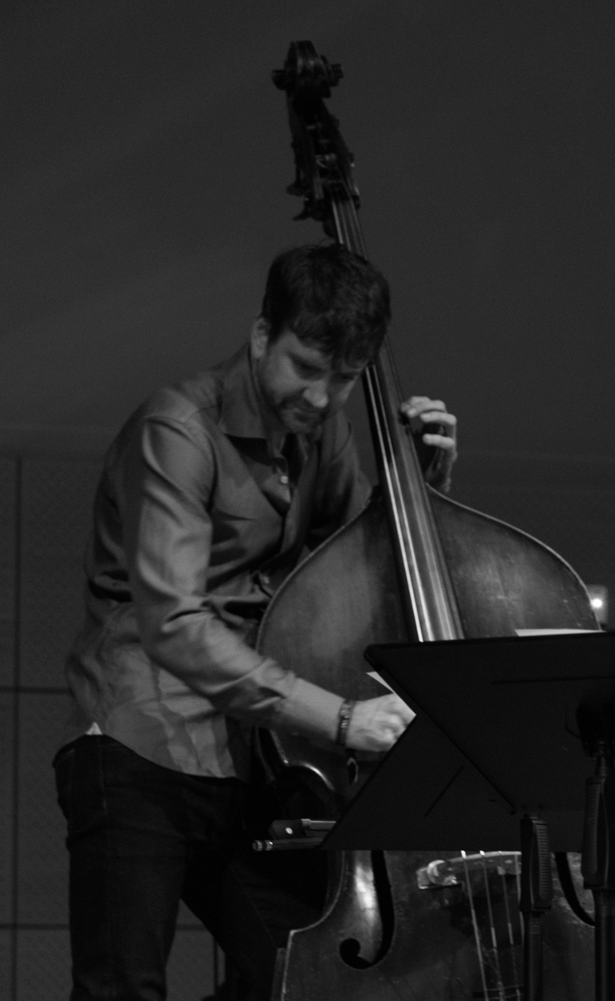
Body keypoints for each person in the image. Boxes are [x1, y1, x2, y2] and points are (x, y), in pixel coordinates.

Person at [54, 243, 457, 1000]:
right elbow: (174, 623)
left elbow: (357, 563)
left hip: (250, 754)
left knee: (301, 974)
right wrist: (341, 718)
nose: (322, 395)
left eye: (344, 377)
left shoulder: (322, 432)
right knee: (121, 989)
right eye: (306, 365)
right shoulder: (177, 428)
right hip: (140, 743)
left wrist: (416, 485)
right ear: (262, 335)